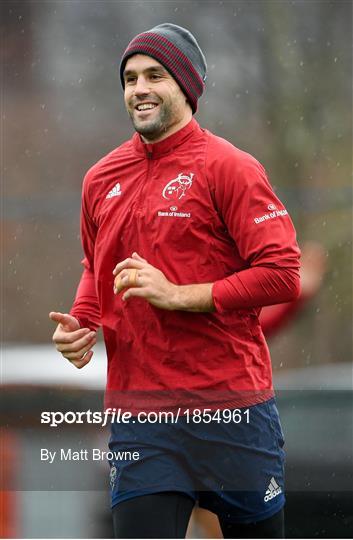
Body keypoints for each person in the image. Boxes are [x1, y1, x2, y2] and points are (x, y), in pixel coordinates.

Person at [49, 23, 301, 539]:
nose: (138, 88)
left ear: (185, 87)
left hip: (231, 408)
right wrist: (83, 321)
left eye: (154, 75)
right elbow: (95, 264)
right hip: (142, 415)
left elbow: (282, 275)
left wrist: (179, 295)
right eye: (129, 78)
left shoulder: (230, 167)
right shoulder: (100, 178)